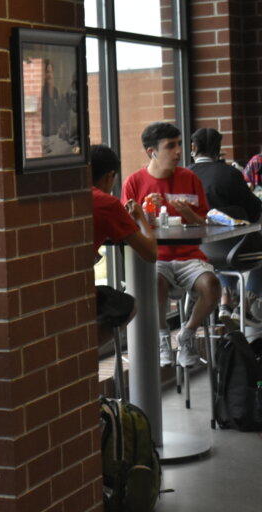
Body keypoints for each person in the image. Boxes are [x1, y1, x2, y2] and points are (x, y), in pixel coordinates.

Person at [122, 122, 221, 368]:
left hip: (190, 256)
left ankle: (187, 335)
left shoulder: (190, 178)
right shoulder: (134, 183)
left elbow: (204, 222)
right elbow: (126, 226)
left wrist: (189, 214)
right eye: (170, 146)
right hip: (157, 257)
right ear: (151, 151)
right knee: (153, 280)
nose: (178, 152)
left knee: (212, 285)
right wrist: (143, 210)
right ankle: (163, 339)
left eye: (179, 145)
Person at [188, 127, 262, 324]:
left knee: (219, 252)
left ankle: (225, 301)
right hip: (235, 249)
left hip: (198, 251)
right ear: (218, 149)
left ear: (193, 148)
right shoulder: (229, 174)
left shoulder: (183, 175)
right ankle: (246, 304)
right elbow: (255, 210)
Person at [91, 145, 157, 345]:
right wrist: (140, 218)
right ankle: (86, 354)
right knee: (128, 305)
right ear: (110, 175)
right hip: (76, 289)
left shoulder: (64, 194)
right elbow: (150, 253)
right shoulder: (107, 203)